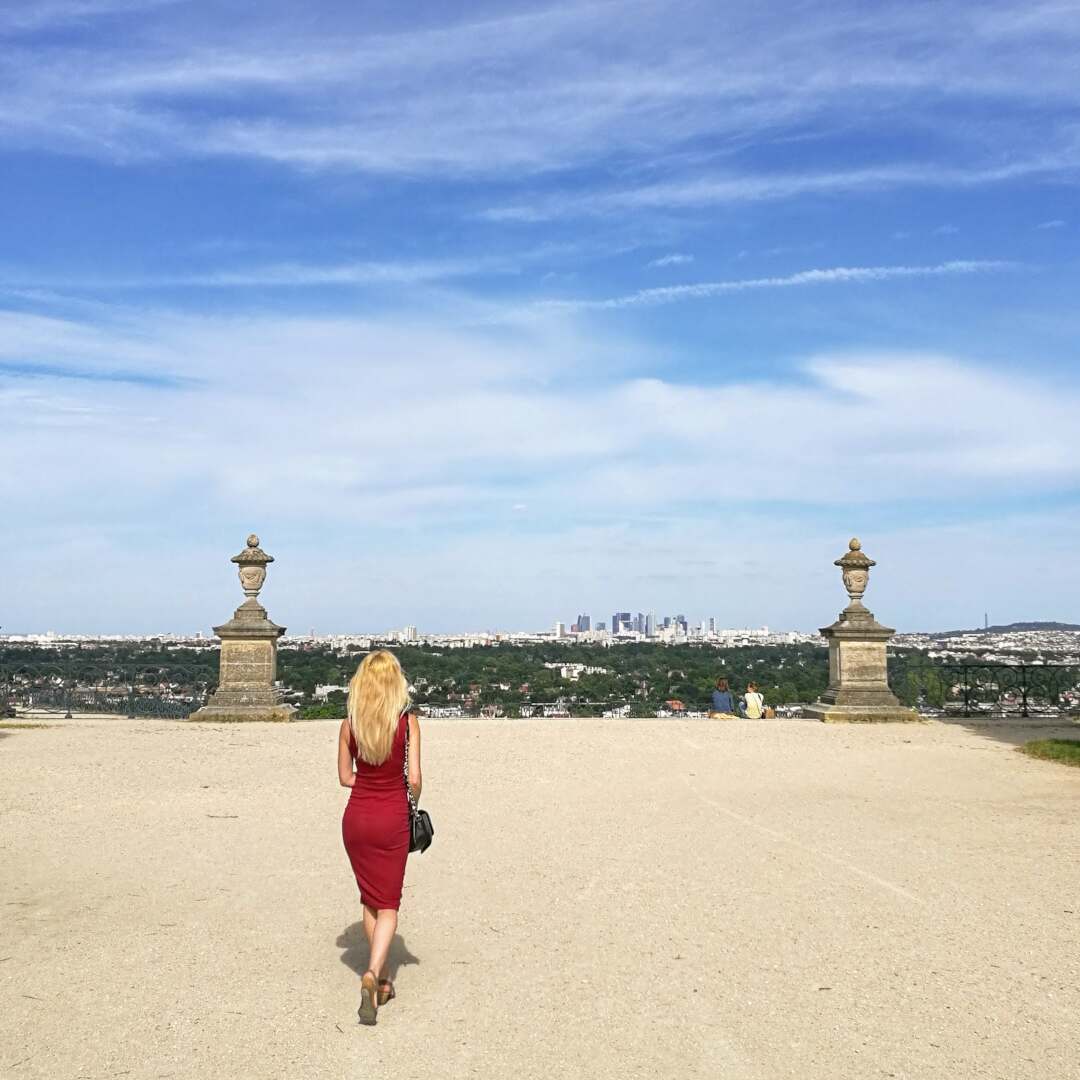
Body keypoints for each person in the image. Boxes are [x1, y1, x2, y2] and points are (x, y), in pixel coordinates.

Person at [338, 650, 422, 1025]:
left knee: (370, 900)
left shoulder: (349, 724)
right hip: (391, 817)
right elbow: (415, 779)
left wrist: (369, 784)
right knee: (388, 904)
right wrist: (407, 801)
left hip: (357, 817)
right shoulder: (408, 723)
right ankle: (372, 974)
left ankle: (383, 981)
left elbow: (345, 777)